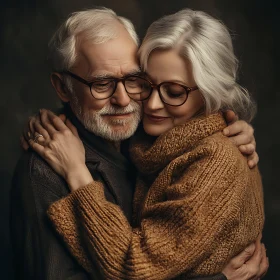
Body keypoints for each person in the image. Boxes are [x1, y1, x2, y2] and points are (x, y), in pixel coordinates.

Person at [11, 8, 267, 280]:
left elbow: (136, 263)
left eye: (133, 80)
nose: (124, 100)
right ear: (63, 88)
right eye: (102, 83)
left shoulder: (185, 148)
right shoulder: (44, 171)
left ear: (207, 93)